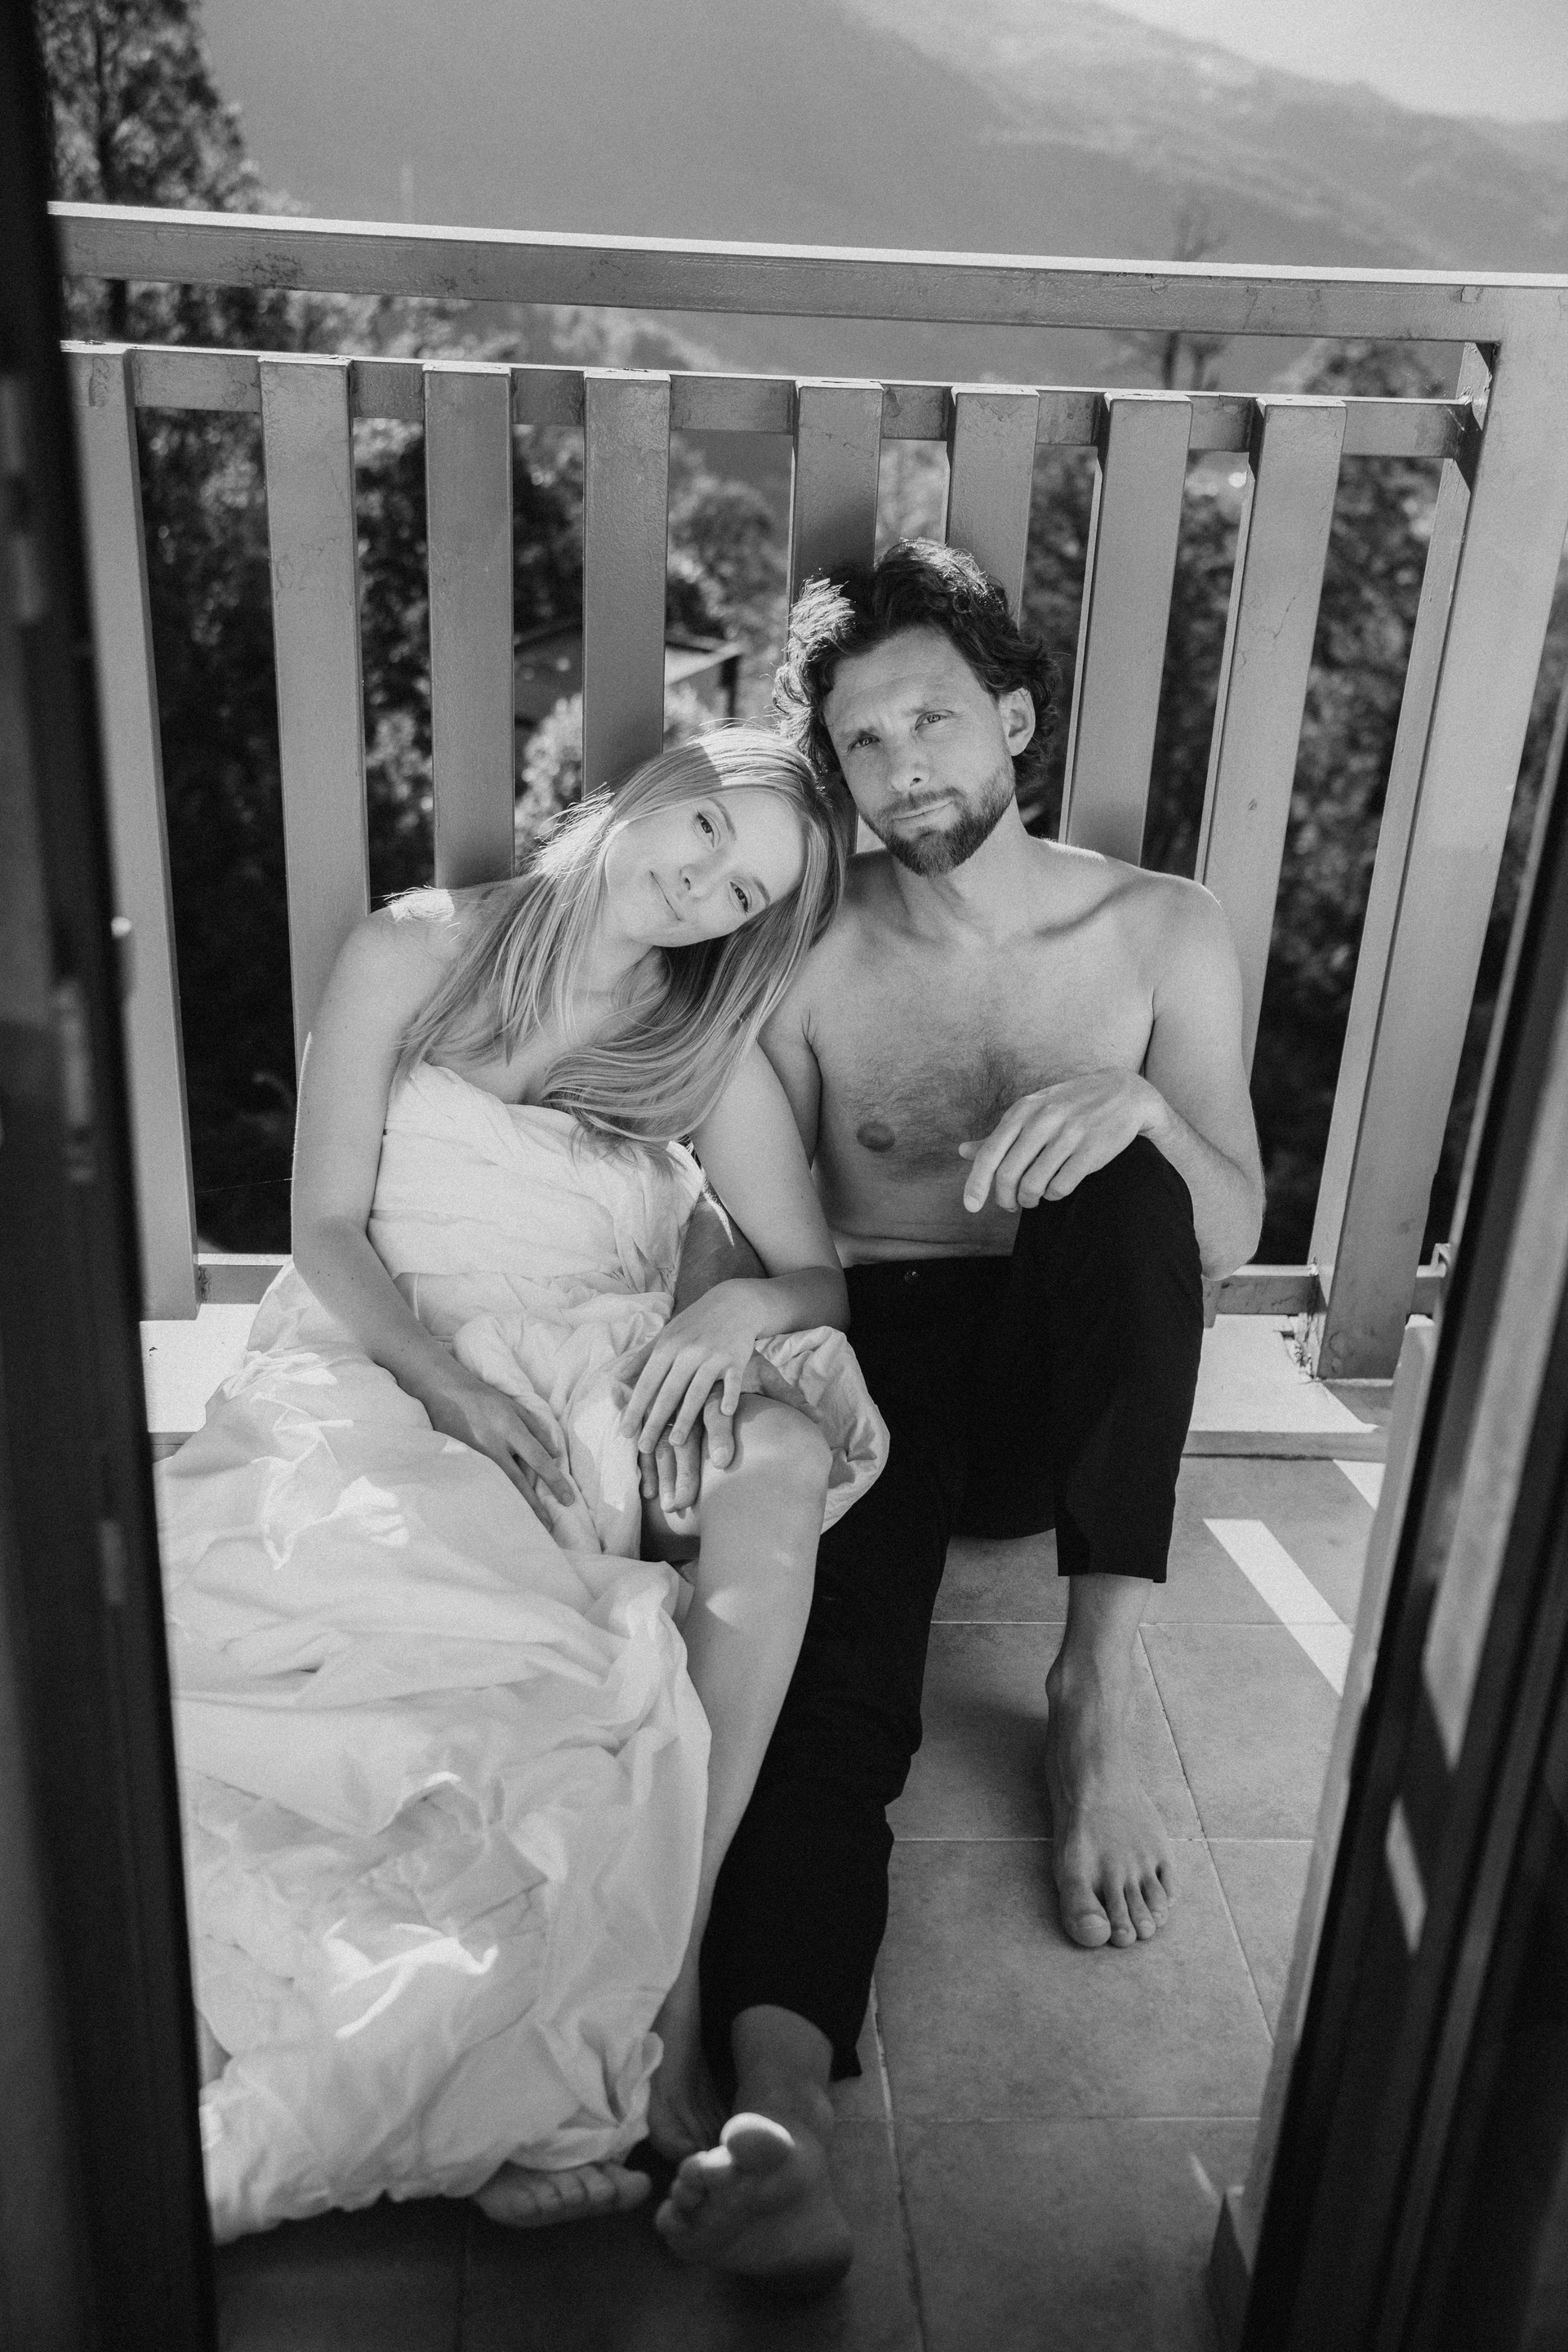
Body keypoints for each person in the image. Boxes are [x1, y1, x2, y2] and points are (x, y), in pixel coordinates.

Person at [154, 728, 887, 2240]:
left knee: (766, 1465)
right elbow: (325, 1227)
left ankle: (666, 1972)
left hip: (585, 1369)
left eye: (742, 892)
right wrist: (447, 1385)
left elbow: (813, 1272)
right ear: (654, 787)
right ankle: (467, 2071)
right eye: (705, 830)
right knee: (431, 1682)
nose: (701, 885)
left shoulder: (697, 1040)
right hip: (388, 1345)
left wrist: (738, 1309)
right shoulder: (416, 948)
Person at [648, 541, 1266, 2290]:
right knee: (831, 1683)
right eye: (861, 740)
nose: (901, 764)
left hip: (1074, 1378)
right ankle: (783, 2113)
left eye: (931, 718)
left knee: (1131, 1182)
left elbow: (1227, 1229)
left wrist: (1141, 1111)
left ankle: (1094, 1686)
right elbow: (768, 1218)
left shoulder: (1161, 928)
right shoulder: (805, 952)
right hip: (884, 1349)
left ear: (1013, 721)